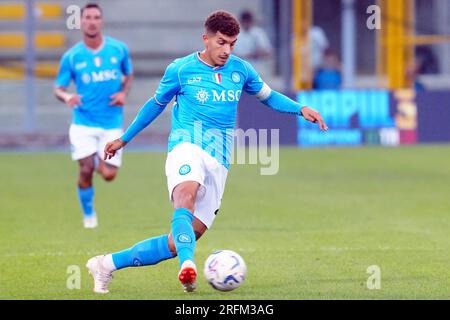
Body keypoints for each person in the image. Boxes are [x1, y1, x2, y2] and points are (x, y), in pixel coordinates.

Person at [86, 10, 327, 294]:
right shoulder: (181, 69)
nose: (227, 50)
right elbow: (155, 104)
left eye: (232, 44)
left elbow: (268, 96)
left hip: (220, 159)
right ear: (206, 38)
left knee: (177, 242)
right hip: (186, 146)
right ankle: (187, 268)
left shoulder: (241, 70)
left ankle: (105, 264)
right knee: (184, 197)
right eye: (222, 42)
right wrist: (124, 139)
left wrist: (300, 109)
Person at [54, 3, 133, 229]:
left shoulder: (119, 50)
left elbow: (129, 74)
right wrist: (67, 96)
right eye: (87, 17)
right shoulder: (72, 56)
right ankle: (89, 215)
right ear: (80, 22)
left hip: (111, 123)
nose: (91, 21)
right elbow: (58, 88)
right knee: (86, 169)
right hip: (83, 122)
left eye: (96, 17)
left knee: (109, 174)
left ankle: (95, 156)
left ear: (101, 21)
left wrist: (123, 92)